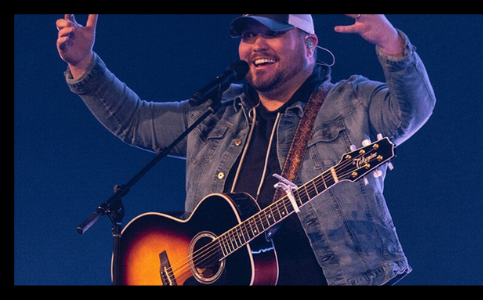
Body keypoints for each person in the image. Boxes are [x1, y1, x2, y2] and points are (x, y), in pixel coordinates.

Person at [56, 14, 435, 286]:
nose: (256, 46)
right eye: (248, 35)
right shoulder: (218, 111)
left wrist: (391, 44)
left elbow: (411, 112)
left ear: (309, 43)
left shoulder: (349, 102)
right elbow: (136, 121)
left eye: (270, 33)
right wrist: (83, 64)